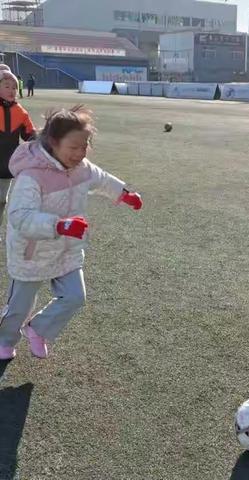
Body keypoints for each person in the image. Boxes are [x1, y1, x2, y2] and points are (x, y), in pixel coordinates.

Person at [0, 105, 143, 360]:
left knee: (75, 297)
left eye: (84, 146)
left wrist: (124, 194)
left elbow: (101, 178)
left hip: (66, 249)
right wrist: (58, 225)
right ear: (54, 143)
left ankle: (38, 329)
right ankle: (5, 340)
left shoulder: (82, 167)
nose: (80, 154)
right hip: (31, 252)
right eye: (73, 147)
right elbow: (19, 217)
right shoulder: (31, 175)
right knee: (19, 308)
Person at [0, 70, 35, 228]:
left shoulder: (21, 112)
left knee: (2, 200)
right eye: (7, 86)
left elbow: (30, 135)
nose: (12, 90)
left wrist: (45, 140)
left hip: (7, 166)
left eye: (14, 87)